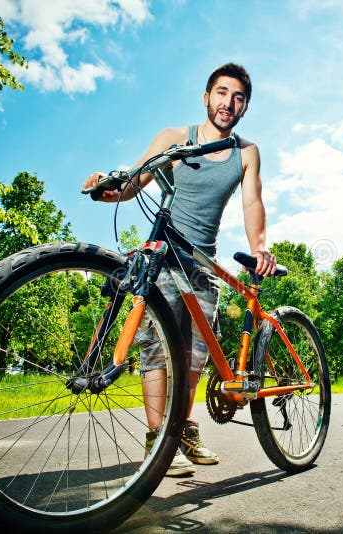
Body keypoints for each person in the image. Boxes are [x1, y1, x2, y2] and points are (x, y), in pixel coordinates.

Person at [83, 63, 276, 476]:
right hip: (165, 257)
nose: (229, 102)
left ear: (245, 107)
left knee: (193, 356)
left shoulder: (246, 152)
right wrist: (107, 190)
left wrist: (260, 248)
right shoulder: (175, 138)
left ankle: (184, 428)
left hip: (202, 262)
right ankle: (159, 442)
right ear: (206, 98)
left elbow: (252, 202)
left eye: (239, 97)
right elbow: (136, 180)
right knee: (156, 349)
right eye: (222, 93)